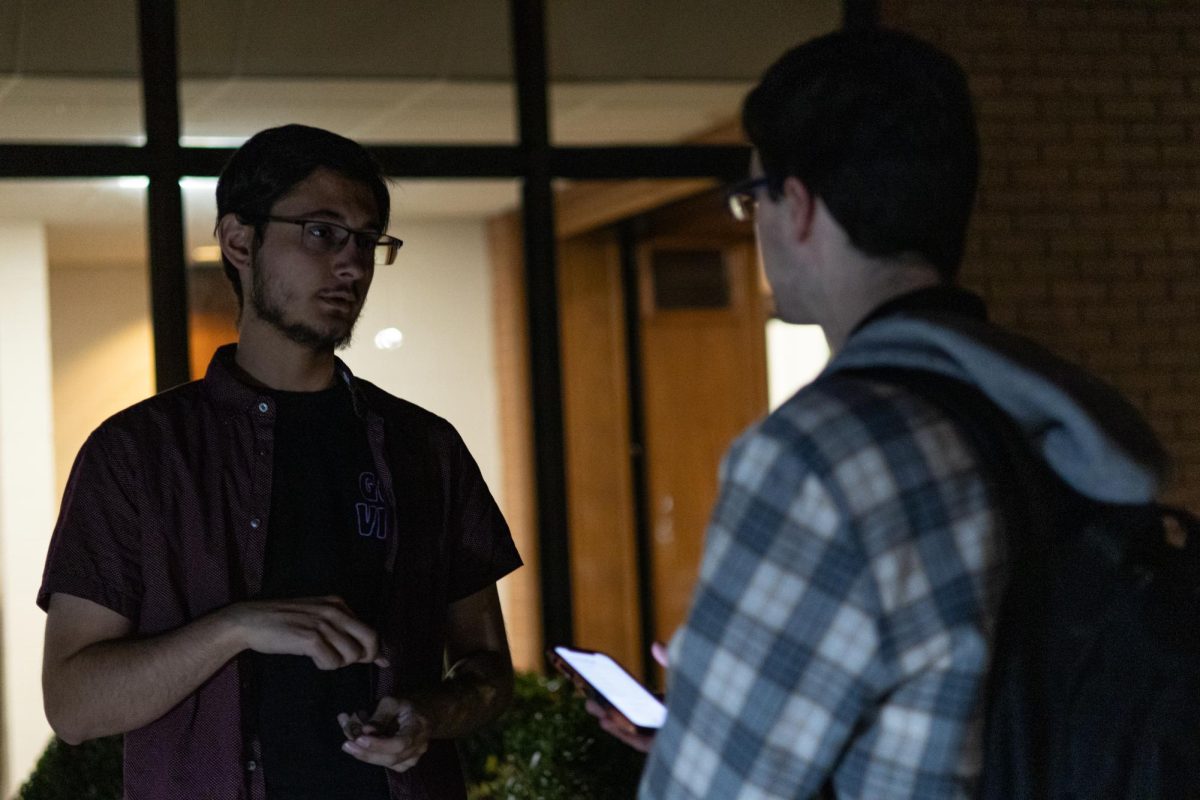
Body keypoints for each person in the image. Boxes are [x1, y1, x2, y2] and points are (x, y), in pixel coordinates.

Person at [593, 28, 1167, 799]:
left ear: (797, 206)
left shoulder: (820, 458)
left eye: (752, 197)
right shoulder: (1049, 419)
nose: (754, 221)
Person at [38, 124, 522, 800]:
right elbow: (74, 706)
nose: (351, 265)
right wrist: (239, 625)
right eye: (323, 233)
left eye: (367, 240)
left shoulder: (424, 446)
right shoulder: (138, 454)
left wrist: (429, 714)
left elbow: (490, 670)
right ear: (239, 241)